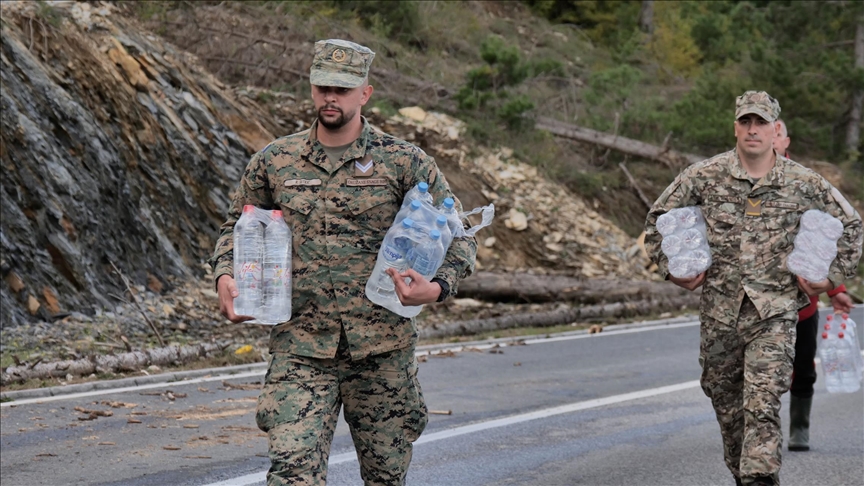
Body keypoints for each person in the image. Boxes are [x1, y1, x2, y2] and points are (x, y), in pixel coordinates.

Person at [210, 39, 478, 486]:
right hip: (301, 348)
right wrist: (225, 277)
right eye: (322, 87)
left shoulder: (405, 162)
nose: (330, 97)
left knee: (385, 477)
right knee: (293, 474)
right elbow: (233, 230)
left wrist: (437, 288)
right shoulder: (275, 161)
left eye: (342, 88)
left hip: (382, 352)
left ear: (364, 94)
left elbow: (459, 237)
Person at [644, 91, 863, 486]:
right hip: (719, 315)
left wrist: (829, 279)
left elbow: (852, 226)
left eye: (761, 123)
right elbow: (657, 219)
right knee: (728, 407)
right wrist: (672, 270)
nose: (752, 130)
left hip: (774, 314)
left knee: (761, 403)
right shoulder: (703, 176)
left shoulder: (804, 182)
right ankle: (745, 476)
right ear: (735, 127)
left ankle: (760, 480)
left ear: (775, 128)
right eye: (745, 122)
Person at [773, 119, 855, 452]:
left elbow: (827, 236)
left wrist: (835, 289)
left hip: (800, 300)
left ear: (785, 140)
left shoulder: (806, 183)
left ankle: (799, 427)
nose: (768, 137)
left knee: (802, 366)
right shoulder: (737, 181)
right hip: (753, 300)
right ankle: (756, 430)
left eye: (776, 132)